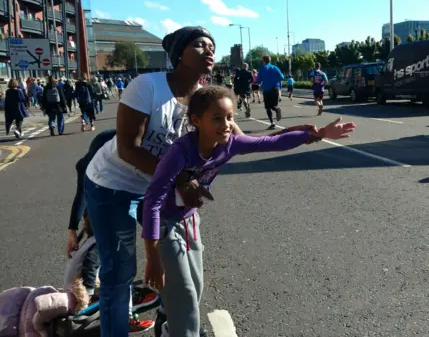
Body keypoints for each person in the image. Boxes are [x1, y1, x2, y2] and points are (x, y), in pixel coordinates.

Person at [83, 26, 321, 336]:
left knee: (182, 270)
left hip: (163, 189)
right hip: (112, 185)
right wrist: (181, 178)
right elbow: (129, 148)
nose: (209, 50)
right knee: (120, 273)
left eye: (212, 45)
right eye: (199, 45)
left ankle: (173, 322)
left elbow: (243, 141)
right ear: (179, 53)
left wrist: (295, 134)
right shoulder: (148, 86)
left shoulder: (206, 98)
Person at [141, 85, 356, 337]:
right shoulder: (180, 152)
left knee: (194, 288)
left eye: (230, 117)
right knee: (185, 295)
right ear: (197, 120)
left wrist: (316, 134)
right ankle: (180, 329)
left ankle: (169, 320)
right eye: (217, 118)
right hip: (166, 225)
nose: (227, 124)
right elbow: (153, 200)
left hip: (189, 220)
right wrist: (152, 257)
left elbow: (271, 142)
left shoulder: (230, 143)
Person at [66, 129, 158, 333]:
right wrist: (72, 227)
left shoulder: (156, 135)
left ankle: (150, 306)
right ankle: (125, 314)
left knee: (164, 250)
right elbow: (82, 189)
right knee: (118, 271)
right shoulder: (102, 149)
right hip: (111, 195)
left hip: (138, 191)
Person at [257, 55, 284, 129]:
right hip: (275, 88)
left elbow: (258, 80)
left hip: (267, 89)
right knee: (273, 105)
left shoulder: (263, 68)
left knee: (268, 107)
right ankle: (276, 109)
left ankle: (272, 123)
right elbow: (282, 77)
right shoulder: (275, 68)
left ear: (263, 61)